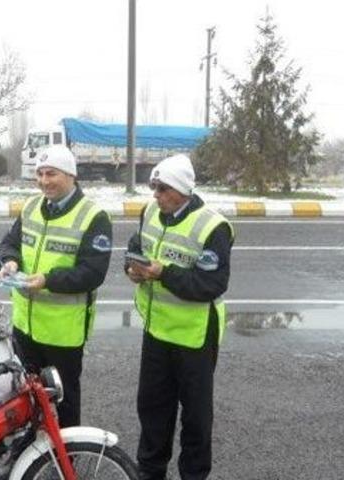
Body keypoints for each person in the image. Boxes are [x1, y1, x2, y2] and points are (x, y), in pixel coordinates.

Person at [126, 154, 234, 480]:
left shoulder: (212, 226)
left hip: (194, 335)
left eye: (162, 189)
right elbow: (135, 247)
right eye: (154, 187)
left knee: (196, 418)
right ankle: (150, 471)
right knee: (153, 407)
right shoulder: (151, 212)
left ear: (183, 190)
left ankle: (194, 475)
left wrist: (162, 273)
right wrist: (132, 269)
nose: (155, 195)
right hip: (157, 329)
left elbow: (210, 284)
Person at [0, 144, 112, 428]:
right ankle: (34, 452)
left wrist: (47, 281)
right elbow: (9, 243)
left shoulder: (93, 217)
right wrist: (9, 261)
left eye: (52, 174)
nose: (44, 181)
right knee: (28, 397)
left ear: (70, 175)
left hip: (63, 333)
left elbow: (92, 273)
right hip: (26, 327)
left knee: (64, 399)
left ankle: (66, 458)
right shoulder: (32, 206)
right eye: (40, 174)